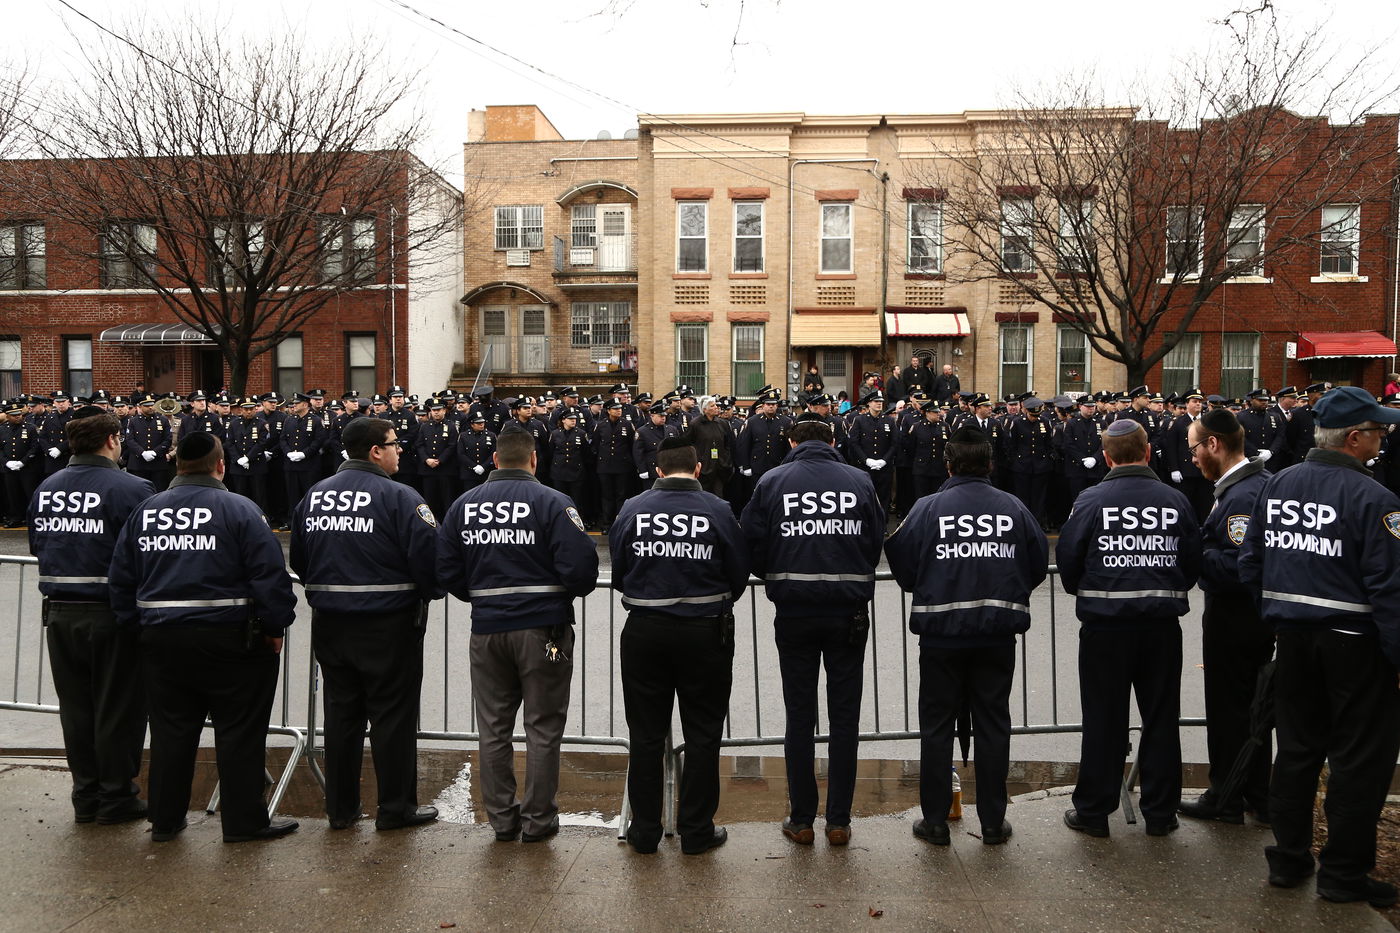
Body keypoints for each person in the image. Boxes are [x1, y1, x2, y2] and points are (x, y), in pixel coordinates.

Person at [1238, 386, 1400, 906]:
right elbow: (1390, 590)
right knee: (1358, 761)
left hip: (1295, 640)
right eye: (1377, 432)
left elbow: (1251, 564)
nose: (1382, 439)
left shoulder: (1280, 483)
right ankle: (1342, 875)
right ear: (1354, 438)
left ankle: (1288, 861)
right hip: (1355, 646)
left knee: (1298, 752)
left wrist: (1280, 614)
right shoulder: (1376, 499)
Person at [108, 431, 298, 843]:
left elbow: (121, 579)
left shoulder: (146, 511)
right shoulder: (240, 509)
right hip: (232, 640)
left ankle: (165, 819)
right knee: (240, 733)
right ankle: (244, 822)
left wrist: (134, 627)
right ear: (220, 465)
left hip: (162, 641)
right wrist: (275, 626)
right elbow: (269, 576)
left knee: (171, 732)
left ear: (177, 465)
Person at [886, 425, 1048, 847]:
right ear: (990, 464)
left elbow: (902, 562)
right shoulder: (1012, 506)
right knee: (993, 724)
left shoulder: (928, 507)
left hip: (941, 635)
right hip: (996, 633)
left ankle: (935, 821)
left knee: (937, 727)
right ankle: (993, 820)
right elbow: (1035, 565)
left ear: (948, 463)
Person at [436, 424, 598, 843]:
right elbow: (581, 569)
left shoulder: (464, 505)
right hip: (542, 627)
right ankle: (539, 820)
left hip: (487, 628)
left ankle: (502, 821)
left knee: (493, 729)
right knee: (542, 728)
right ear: (533, 460)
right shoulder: (552, 501)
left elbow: (448, 570)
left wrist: (484, 598)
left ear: (494, 460)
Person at [289, 417, 443, 832]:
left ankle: (341, 809)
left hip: (331, 623)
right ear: (376, 451)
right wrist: (430, 590)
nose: (400, 452)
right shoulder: (399, 496)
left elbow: (299, 561)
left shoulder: (315, 496)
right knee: (392, 717)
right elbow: (429, 558)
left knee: (342, 717)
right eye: (395, 445)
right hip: (388, 623)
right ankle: (395, 809)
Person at [741, 414, 884, 846]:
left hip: (795, 609)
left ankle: (802, 818)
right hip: (847, 609)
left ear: (791, 441)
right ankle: (839, 820)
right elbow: (874, 538)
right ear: (834, 438)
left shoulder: (773, 481)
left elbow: (753, 541)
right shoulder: (859, 481)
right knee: (845, 719)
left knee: (799, 717)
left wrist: (778, 576)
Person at [1057, 419, 1201, 838]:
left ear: (1106, 457)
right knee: (1161, 718)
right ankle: (1160, 812)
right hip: (1160, 626)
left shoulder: (1091, 499)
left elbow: (1069, 559)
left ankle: (1094, 811)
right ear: (1148, 452)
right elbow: (1191, 561)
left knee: (1104, 719)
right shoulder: (1174, 499)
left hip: (1106, 627)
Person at [610, 436, 749, 855]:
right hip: (703, 631)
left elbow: (620, 569)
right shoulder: (717, 510)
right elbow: (738, 573)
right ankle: (695, 830)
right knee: (704, 733)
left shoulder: (632, 508)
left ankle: (645, 831)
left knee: (646, 734)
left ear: (657, 470)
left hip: (645, 629)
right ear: (698, 469)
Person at [27, 407, 154, 824]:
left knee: (77, 709)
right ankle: (116, 795)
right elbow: (148, 553)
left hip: (60, 613)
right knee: (118, 707)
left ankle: (86, 795)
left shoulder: (47, 486)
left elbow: (35, 544)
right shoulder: (132, 488)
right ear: (113, 440)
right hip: (111, 613)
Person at [1176, 409, 1272, 827]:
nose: (1193, 457)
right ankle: (1254, 792)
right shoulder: (1245, 487)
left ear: (1214, 444)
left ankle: (1226, 797)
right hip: (1247, 616)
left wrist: (1196, 555)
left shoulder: (1242, 495)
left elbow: (1241, 566)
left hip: (1237, 617)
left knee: (1230, 709)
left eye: (1195, 447)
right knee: (1250, 709)